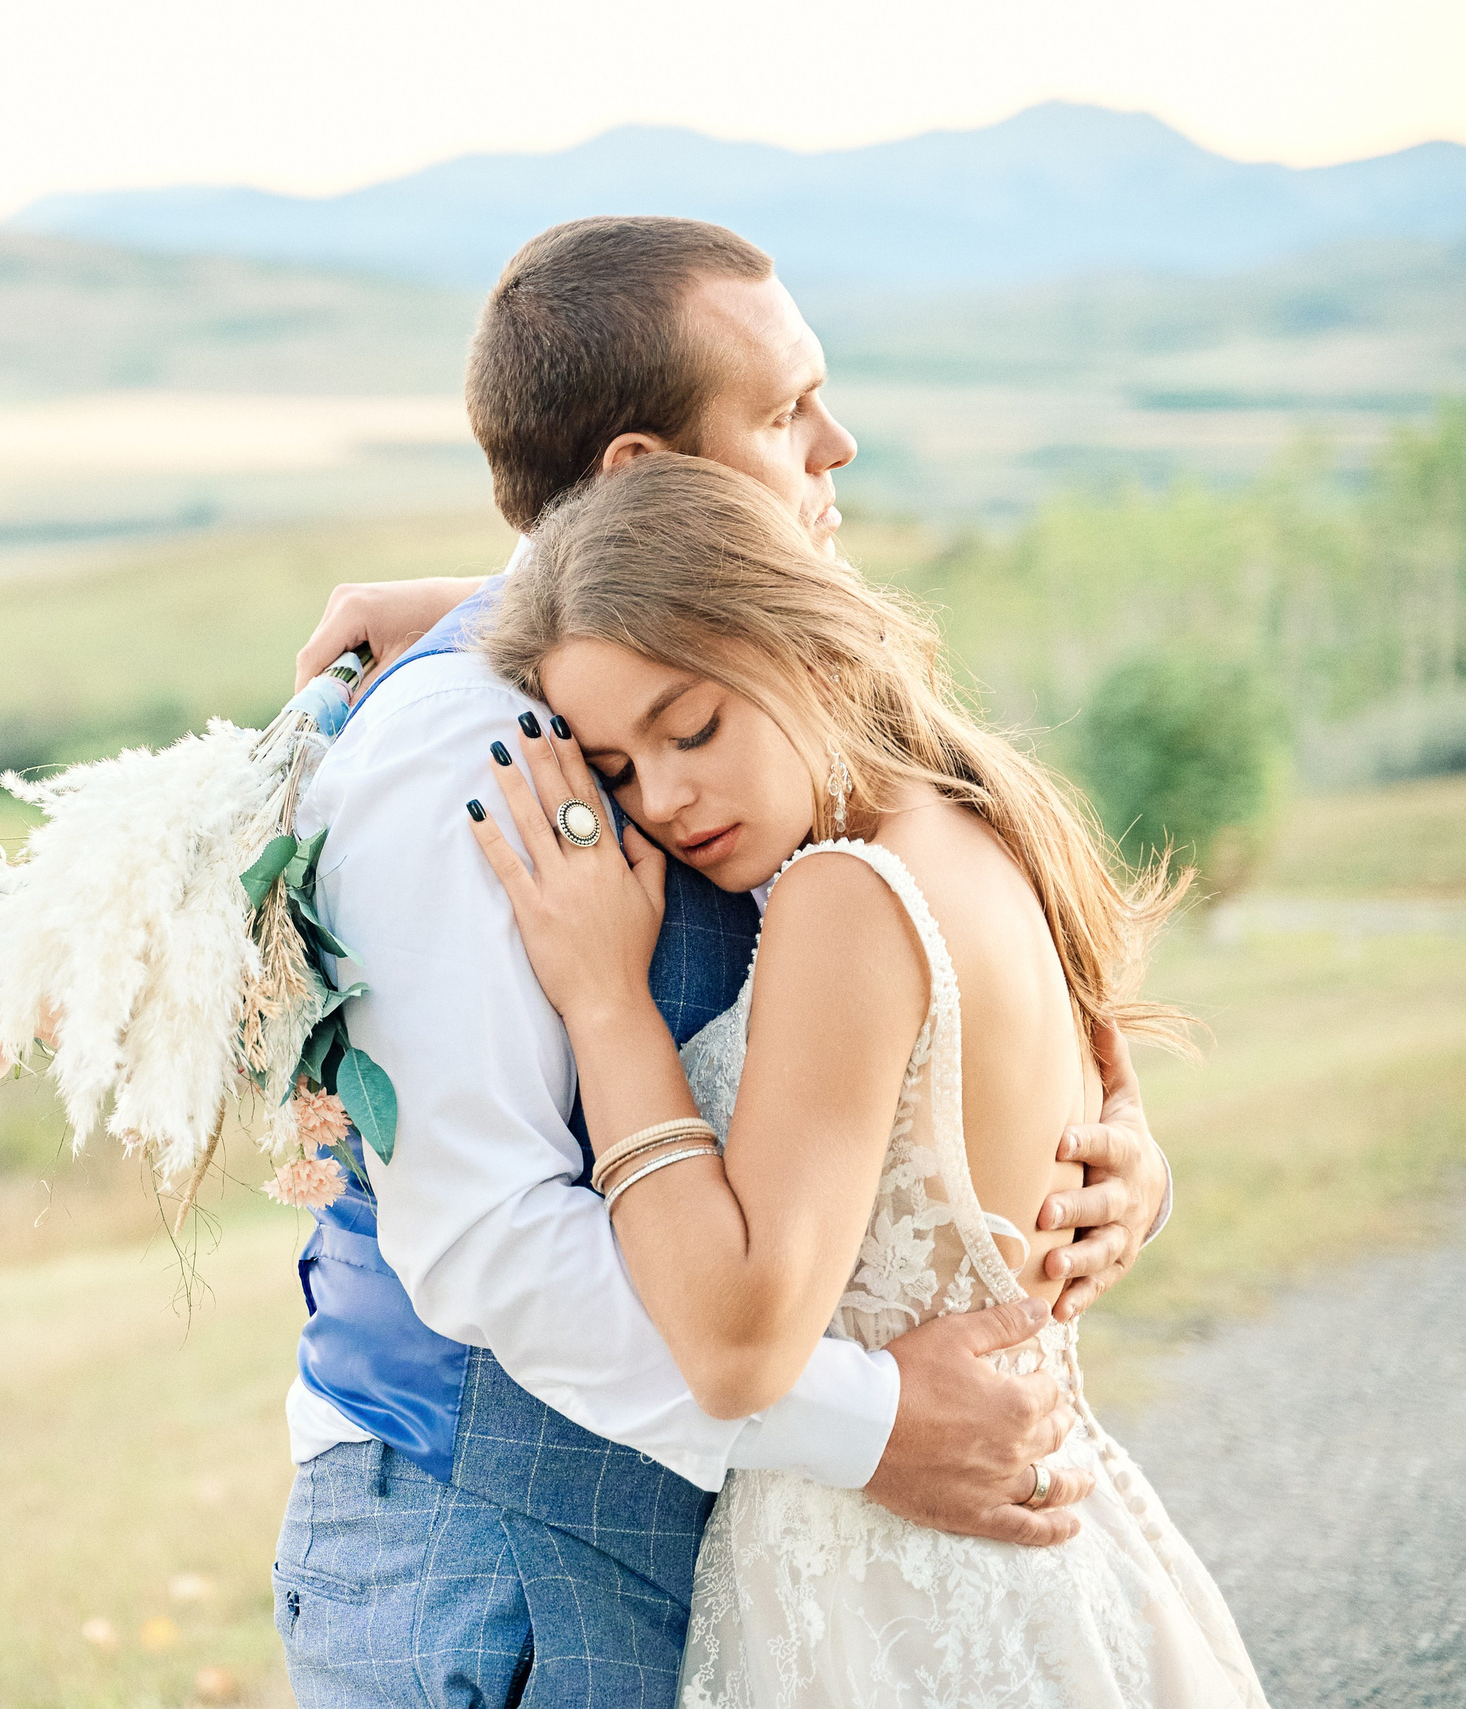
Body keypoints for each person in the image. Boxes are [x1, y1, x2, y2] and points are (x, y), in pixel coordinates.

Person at [271, 216, 1174, 1706]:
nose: (838, 442)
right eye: (783, 409)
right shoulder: (460, 759)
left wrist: (1104, 1160)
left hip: (765, 1545)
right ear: (643, 473)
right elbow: (488, 1233)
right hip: (507, 1552)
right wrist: (873, 1423)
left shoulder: (796, 742)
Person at [463, 450, 1264, 1706]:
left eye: (692, 726)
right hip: (1021, 1570)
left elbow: (736, 1347)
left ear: (814, 648)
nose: (663, 797)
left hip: (896, 1613)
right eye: (614, 768)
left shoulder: (846, 895)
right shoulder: (981, 828)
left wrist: (605, 998)